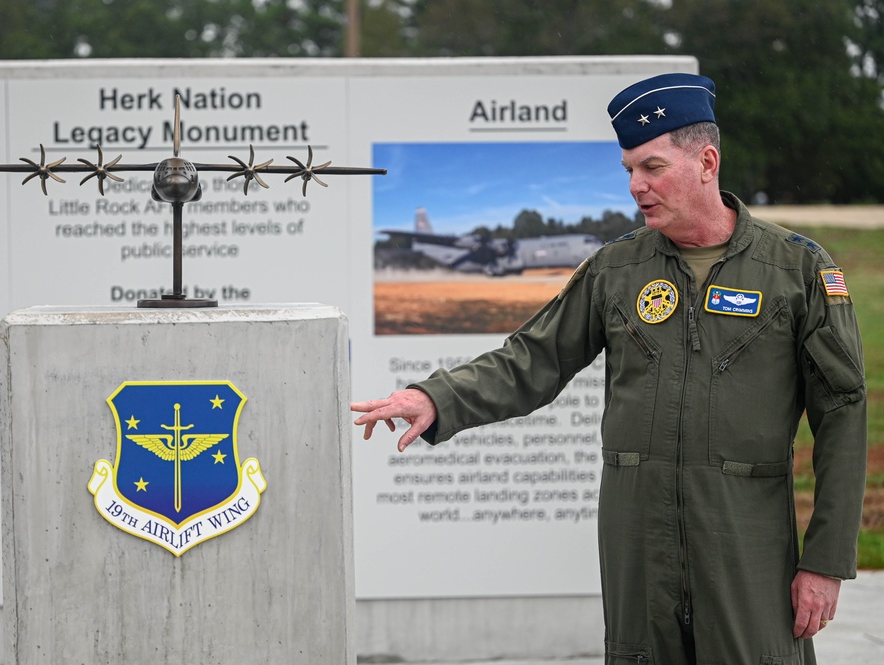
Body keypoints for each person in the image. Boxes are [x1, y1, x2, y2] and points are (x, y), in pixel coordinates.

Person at [351, 73, 867, 664]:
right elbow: (533, 358)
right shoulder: (616, 269)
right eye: (628, 170)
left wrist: (825, 562)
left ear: (706, 161)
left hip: (745, 539)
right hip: (639, 545)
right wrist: (437, 398)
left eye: (651, 167)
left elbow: (843, 412)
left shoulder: (795, 270)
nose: (635, 186)